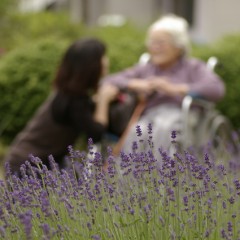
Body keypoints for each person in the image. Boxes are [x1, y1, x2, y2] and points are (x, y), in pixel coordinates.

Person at [102, 14, 225, 155]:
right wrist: (136, 84)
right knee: (138, 131)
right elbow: (108, 80)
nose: (155, 47)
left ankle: (160, 174)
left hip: (182, 116)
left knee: (165, 128)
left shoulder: (193, 67)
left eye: (161, 43)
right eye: (152, 43)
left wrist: (174, 89)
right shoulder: (146, 69)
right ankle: (127, 175)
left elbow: (216, 89)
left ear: (178, 46)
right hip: (150, 115)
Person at [4, 38, 118, 176]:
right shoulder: (74, 100)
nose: (106, 61)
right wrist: (103, 101)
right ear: (91, 65)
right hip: (29, 167)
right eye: (102, 57)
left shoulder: (68, 94)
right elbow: (96, 134)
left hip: (26, 162)